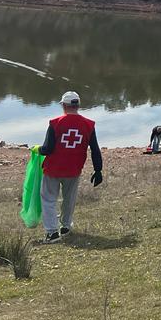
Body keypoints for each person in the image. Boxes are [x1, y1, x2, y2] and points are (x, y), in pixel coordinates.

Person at [36, 91, 103, 243]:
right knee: (69, 198)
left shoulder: (55, 123)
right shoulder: (89, 124)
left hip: (53, 168)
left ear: (64, 106)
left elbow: (48, 148)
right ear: (78, 105)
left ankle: (52, 233)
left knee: (48, 199)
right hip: (74, 169)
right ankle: (65, 226)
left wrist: (37, 149)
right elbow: (95, 149)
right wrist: (98, 169)